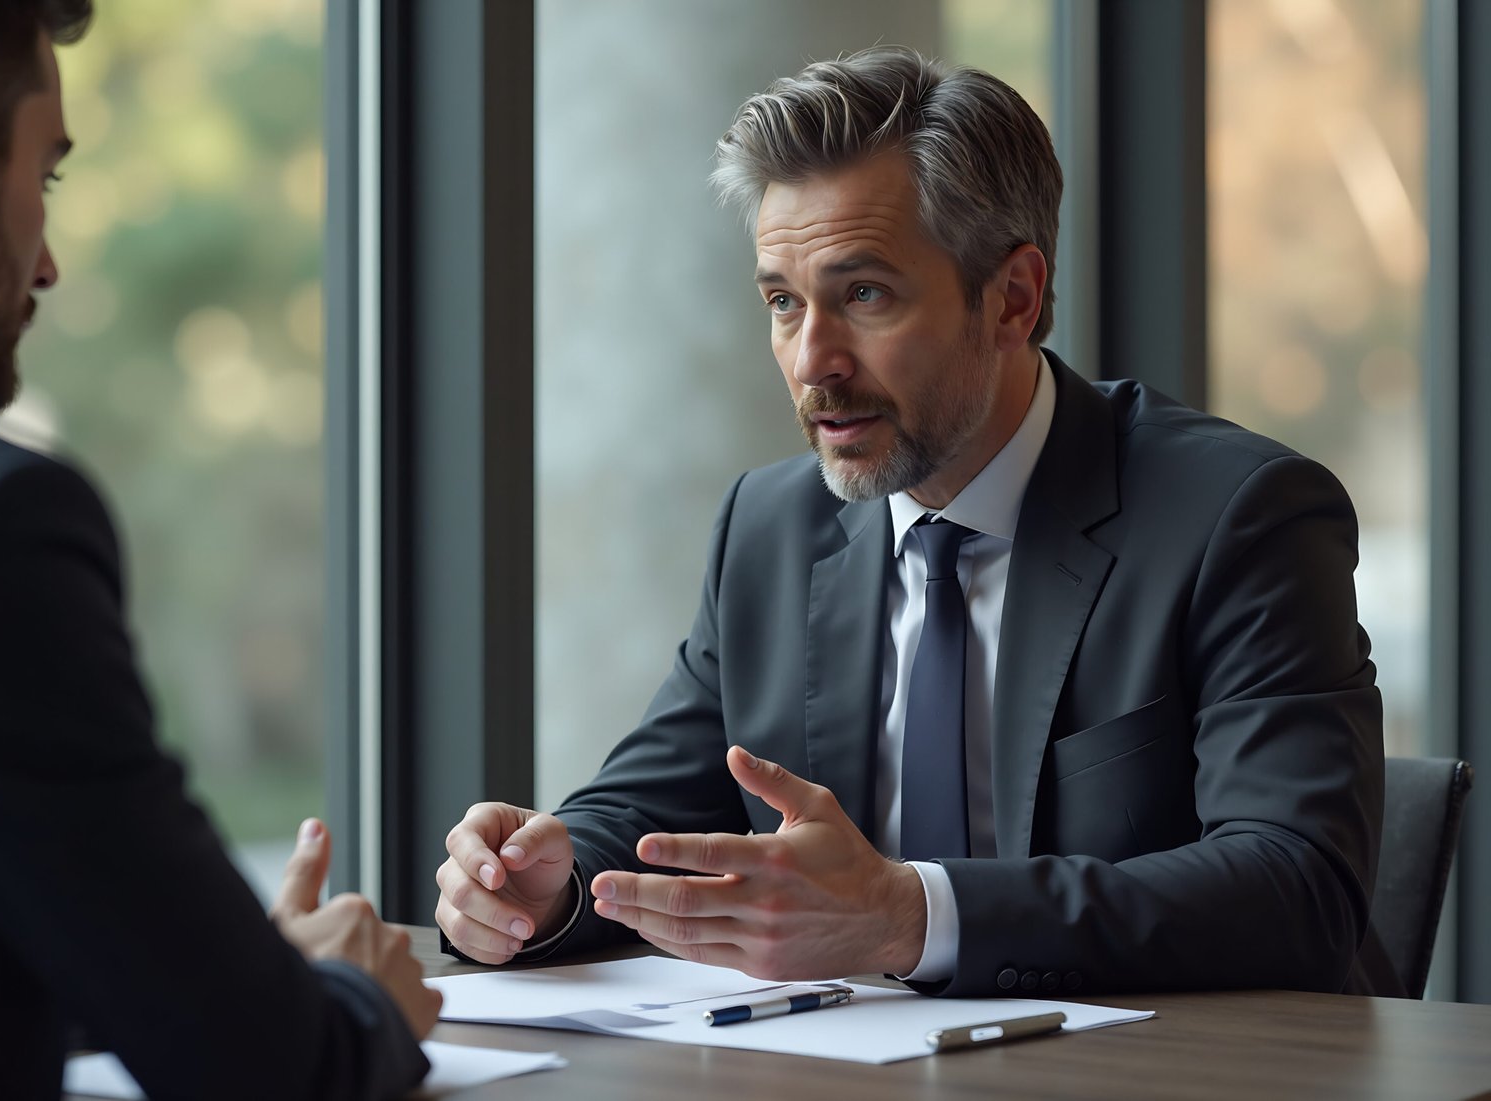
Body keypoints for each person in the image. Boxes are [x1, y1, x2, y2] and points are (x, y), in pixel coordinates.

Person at [436, 45, 1394, 998]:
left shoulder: (1239, 515)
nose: (815, 360)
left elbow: (1297, 885)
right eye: (782, 302)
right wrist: (541, 885)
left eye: (865, 294)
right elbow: (648, 808)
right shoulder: (770, 528)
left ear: (1012, 298)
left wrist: (909, 915)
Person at [0, 2, 439, 1097]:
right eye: (43, 179)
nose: (44, 264)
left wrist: (214, 973)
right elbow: (272, 1070)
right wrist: (351, 997)